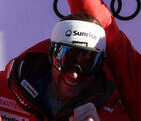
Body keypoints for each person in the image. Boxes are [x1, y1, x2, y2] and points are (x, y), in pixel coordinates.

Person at [0, 14, 128, 120]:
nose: (74, 74)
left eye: (88, 64)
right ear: (51, 55)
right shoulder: (5, 87)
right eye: (67, 60)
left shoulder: (112, 113)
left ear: (100, 66)